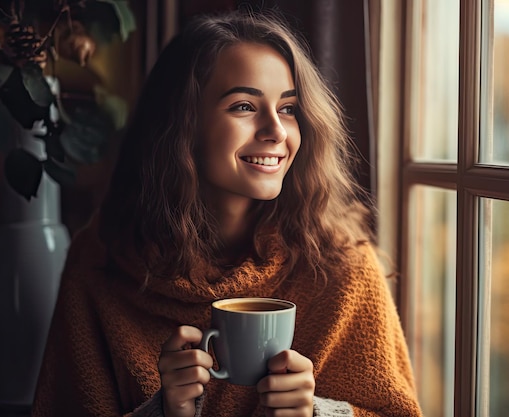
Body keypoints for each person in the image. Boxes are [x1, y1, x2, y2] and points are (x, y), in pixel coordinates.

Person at [31, 8, 423, 417]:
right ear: (182, 125)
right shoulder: (100, 262)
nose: (276, 131)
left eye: (288, 108)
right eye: (243, 107)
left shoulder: (342, 267)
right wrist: (163, 413)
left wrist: (316, 413)